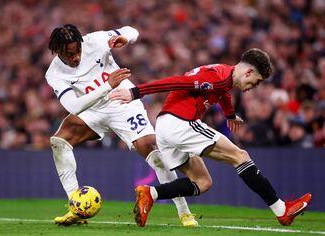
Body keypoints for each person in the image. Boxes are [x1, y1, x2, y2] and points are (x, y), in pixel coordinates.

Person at [110, 48, 312, 227]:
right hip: (180, 122)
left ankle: (151, 193)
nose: (254, 86)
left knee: (202, 182)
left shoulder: (223, 74)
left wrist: (230, 114)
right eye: (256, 81)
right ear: (249, 71)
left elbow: (223, 93)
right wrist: (136, 92)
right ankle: (281, 210)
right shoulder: (217, 77)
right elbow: (177, 81)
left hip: (165, 126)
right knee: (240, 156)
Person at [45, 24, 198, 227]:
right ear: (58, 52)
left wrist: (126, 38)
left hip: (122, 101)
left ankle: (184, 212)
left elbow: (132, 30)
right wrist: (107, 85)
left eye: (78, 51)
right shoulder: (54, 73)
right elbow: (73, 105)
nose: (76, 57)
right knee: (59, 141)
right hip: (92, 109)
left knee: (150, 149)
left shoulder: (95, 40)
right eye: (69, 54)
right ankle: (77, 206)